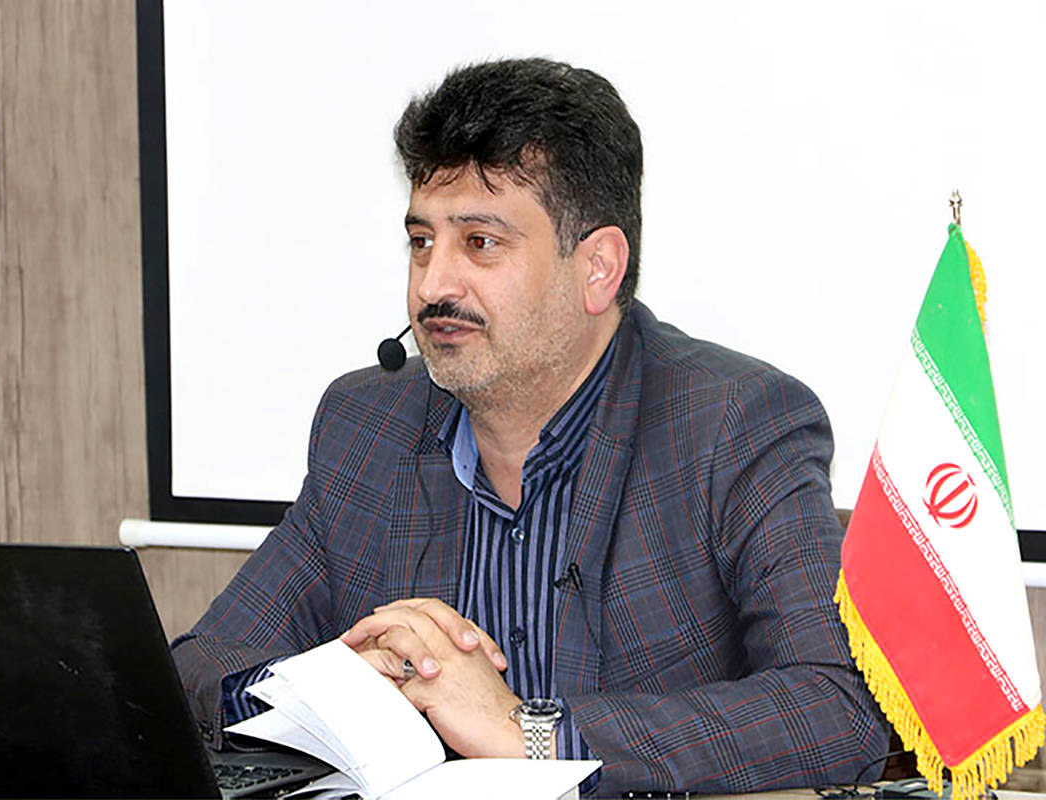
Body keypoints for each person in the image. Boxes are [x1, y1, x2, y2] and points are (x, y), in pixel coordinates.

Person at [172, 58, 889, 795]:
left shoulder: (732, 424)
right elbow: (199, 664)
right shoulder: (367, 427)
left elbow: (836, 707)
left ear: (598, 268)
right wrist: (331, 691)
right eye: (421, 241)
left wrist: (529, 733)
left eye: (480, 242)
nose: (432, 285)